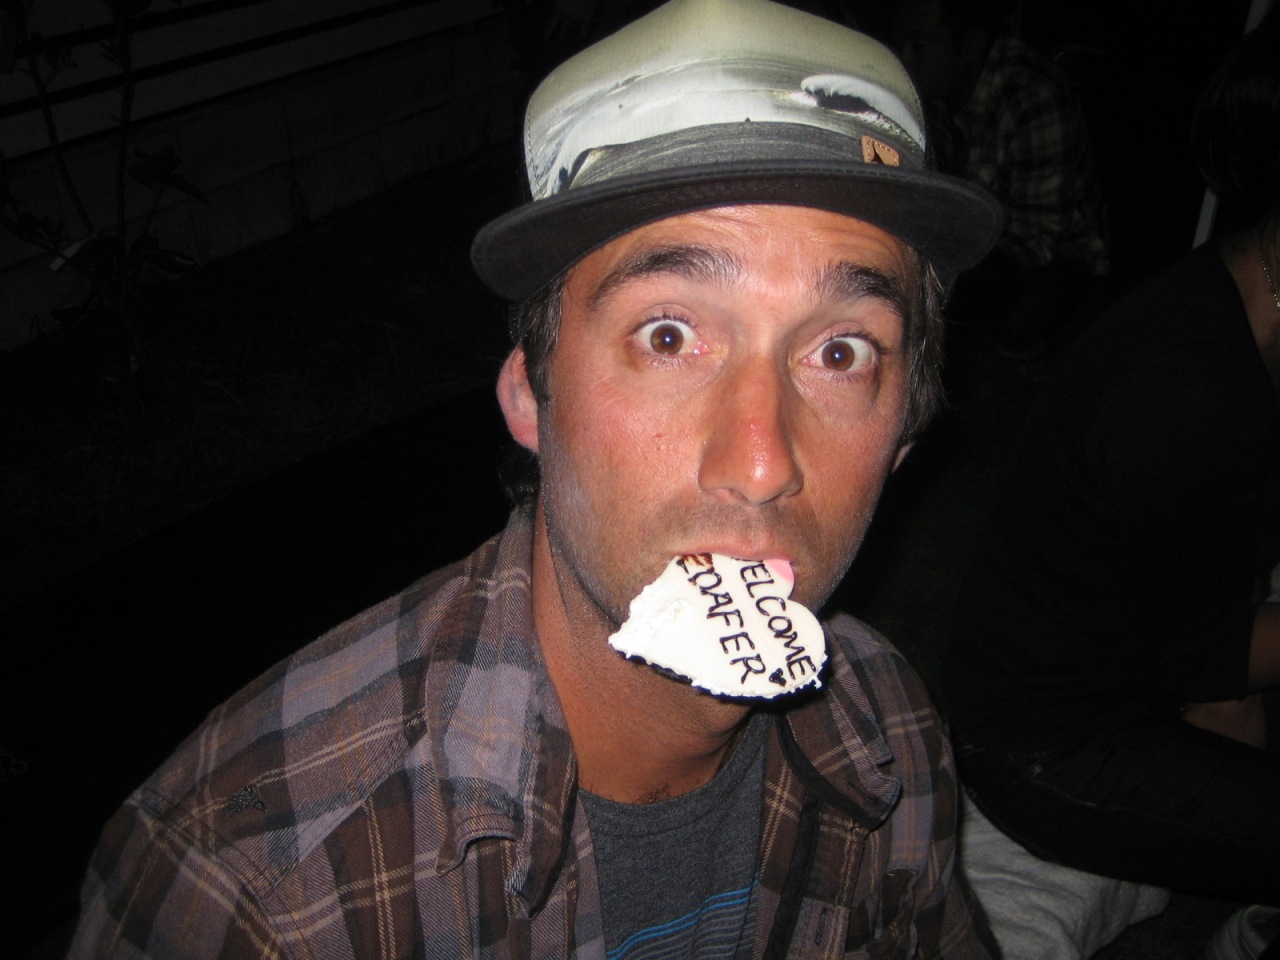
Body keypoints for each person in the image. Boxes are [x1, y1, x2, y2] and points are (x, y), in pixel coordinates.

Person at [65, 0, 1003, 956]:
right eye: (668, 336)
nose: (760, 464)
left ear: (902, 442)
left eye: (841, 354)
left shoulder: (889, 736)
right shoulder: (255, 895)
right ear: (530, 397)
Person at [944, 9, 1280, 956]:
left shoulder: (1232, 295)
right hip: (1048, 752)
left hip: (1125, 672)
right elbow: (1212, 677)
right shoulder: (1192, 385)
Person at [892, 0, 1108, 359]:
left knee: (994, 324)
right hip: (976, 230)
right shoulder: (937, 91)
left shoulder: (1033, 99)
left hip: (1057, 251)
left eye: (920, 44)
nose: (904, 58)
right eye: (900, 43)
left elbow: (1037, 242)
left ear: (971, 47)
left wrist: (942, 276)